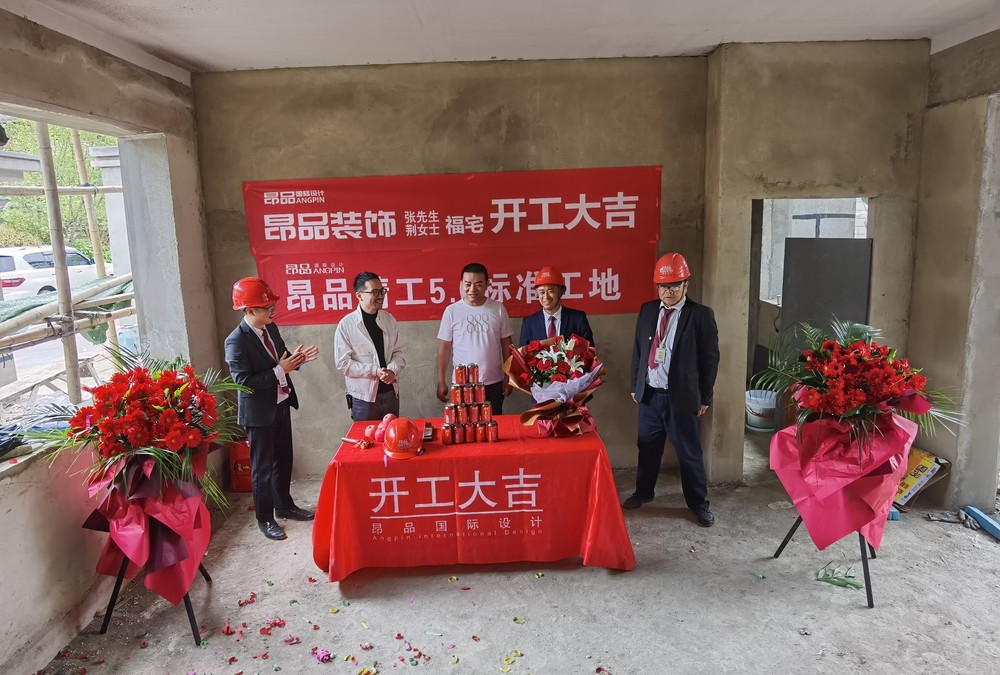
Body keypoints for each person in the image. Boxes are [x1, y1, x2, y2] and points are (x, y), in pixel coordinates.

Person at [623, 253, 720, 527]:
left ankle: (698, 503)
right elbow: (639, 350)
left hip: (682, 399)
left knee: (689, 453)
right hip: (650, 396)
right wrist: (635, 384)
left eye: (675, 285)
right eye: (663, 286)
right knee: (647, 448)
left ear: (686, 284)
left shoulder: (700, 315)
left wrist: (705, 397)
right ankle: (644, 492)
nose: (668, 291)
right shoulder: (648, 310)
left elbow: (710, 359)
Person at [225, 277, 320, 541]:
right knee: (262, 468)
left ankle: (284, 505)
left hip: (280, 403)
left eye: (272, 306)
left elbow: (282, 357)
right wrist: (280, 369)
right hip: (258, 414)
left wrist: (297, 361)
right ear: (249, 310)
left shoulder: (271, 328)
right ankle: (265, 519)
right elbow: (244, 382)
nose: (272, 311)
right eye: (266, 307)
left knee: (284, 459)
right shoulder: (236, 341)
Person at [436, 262, 514, 413]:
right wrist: (441, 380)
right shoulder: (452, 311)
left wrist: (509, 376)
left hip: (493, 382)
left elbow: (507, 344)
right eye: (467, 284)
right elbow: (444, 348)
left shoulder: (498, 308)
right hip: (462, 384)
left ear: (487, 284)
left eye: (478, 284)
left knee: (493, 423)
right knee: (464, 424)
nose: (472, 289)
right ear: (461, 284)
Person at [334, 272, 405, 421]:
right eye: (375, 292)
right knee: (366, 435)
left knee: (391, 433)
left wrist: (391, 370)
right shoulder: (346, 325)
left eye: (382, 291)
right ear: (359, 296)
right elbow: (343, 363)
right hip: (363, 399)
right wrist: (374, 371)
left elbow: (399, 352)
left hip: (390, 394)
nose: (381, 296)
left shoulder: (389, 319)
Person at [518, 265, 595, 347]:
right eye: (542, 292)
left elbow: (589, 351)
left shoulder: (578, 319)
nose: (546, 297)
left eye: (550, 291)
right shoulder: (529, 323)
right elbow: (523, 353)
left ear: (561, 291)